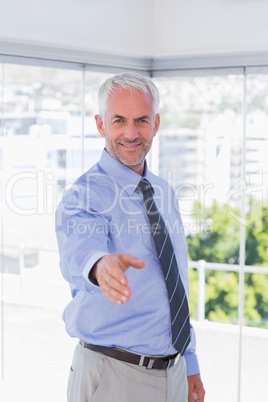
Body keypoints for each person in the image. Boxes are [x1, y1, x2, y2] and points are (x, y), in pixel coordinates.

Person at [55, 72, 205, 402]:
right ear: (100, 124)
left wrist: (190, 363)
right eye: (119, 120)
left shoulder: (164, 193)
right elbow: (79, 251)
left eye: (141, 120)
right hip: (113, 375)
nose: (131, 133)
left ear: (156, 124)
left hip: (175, 373)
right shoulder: (83, 195)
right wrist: (100, 266)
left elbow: (175, 281)